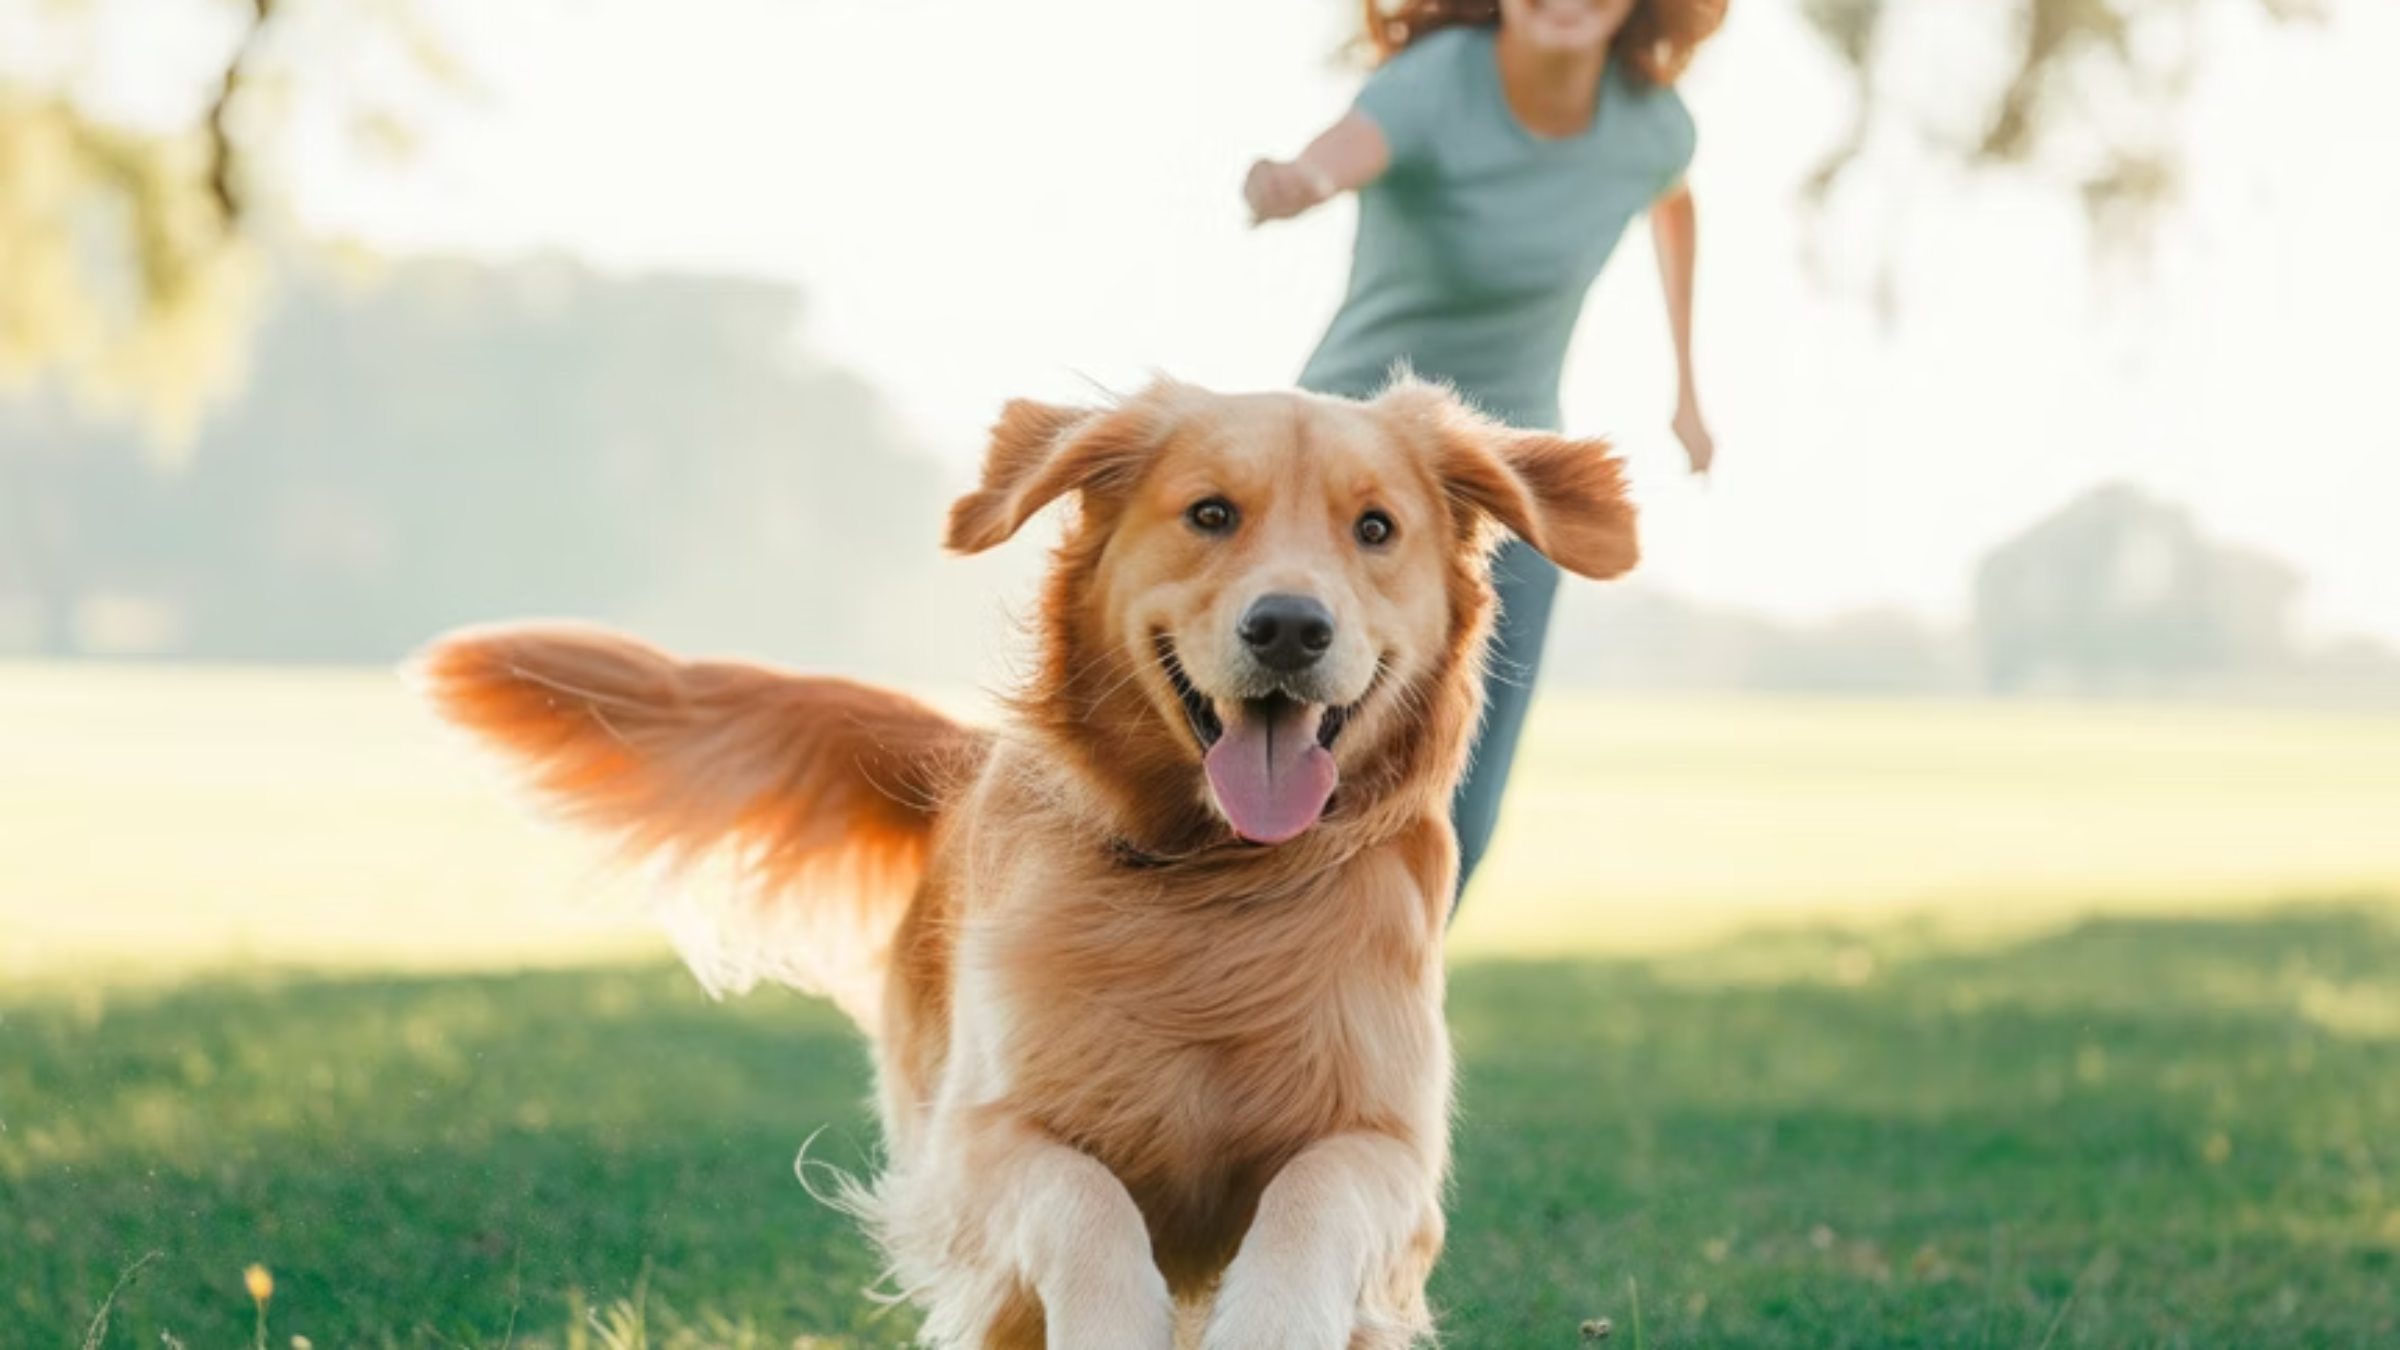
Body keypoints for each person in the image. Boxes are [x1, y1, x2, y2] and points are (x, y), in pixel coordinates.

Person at [1245, 0, 1728, 910]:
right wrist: (1295, 181)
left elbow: (1674, 199)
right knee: (1312, 766)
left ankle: (1384, 1016)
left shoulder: (1652, 125)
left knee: (1461, 811)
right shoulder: (1437, 82)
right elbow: (1340, 153)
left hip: (1507, 496)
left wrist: (1688, 387)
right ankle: (1261, 986)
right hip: (1351, 483)